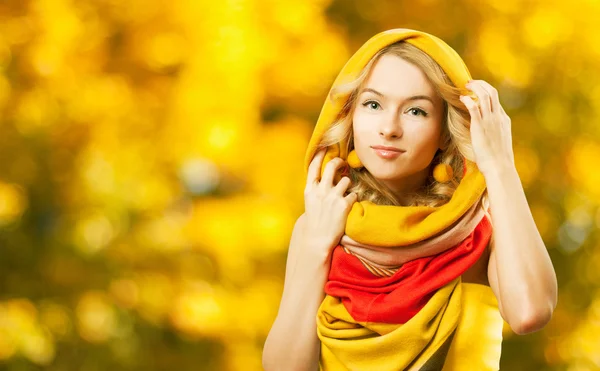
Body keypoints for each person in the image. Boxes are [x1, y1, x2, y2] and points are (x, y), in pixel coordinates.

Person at [262, 29, 557, 371]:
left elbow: (530, 313)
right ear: (350, 116)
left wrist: (500, 165)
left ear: (445, 133)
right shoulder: (319, 227)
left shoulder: (476, 232)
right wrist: (316, 247)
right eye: (373, 104)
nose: (389, 128)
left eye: (415, 112)